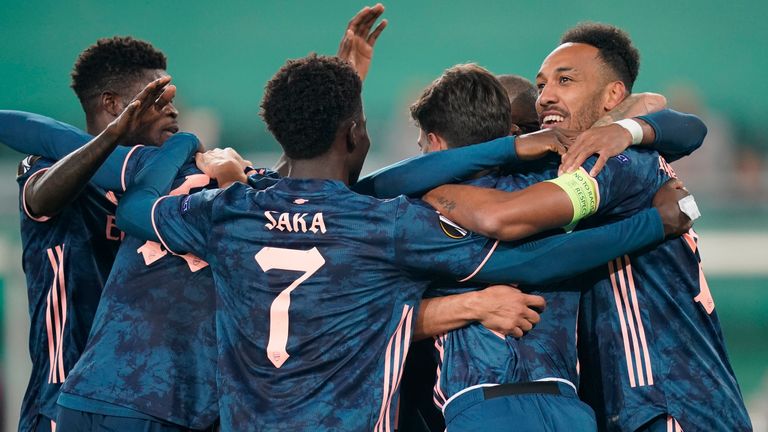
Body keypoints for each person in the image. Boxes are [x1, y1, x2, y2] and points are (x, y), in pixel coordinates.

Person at [114, 53, 691, 431]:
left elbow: (138, 208)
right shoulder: (383, 222)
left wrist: (182, 143)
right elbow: (527, 259)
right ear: (356, 133)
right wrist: (653, 224)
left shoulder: (232, 210)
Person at [425, 23, 751, 432]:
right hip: (650, 402)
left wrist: (433, 192)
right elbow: (665, 111)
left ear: (613, 95)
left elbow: (503, 218)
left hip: (667, 400)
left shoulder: (607, 162)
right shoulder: (618, 147)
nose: (546, 96)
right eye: (542, 84)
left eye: (566, 80)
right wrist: (631, 125)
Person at [9, 36, 176, 432]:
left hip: (140, 406)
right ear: (113, 105)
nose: (173, 111)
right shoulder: (48, 166)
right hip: (60, 399)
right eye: (158, 99)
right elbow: (41, 198)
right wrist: (113, 139)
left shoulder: (165, 187)